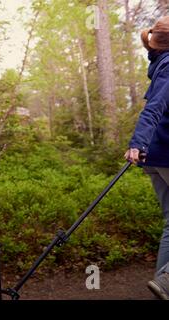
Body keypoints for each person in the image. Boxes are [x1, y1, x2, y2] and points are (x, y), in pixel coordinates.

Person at [125, 16, 169, 300]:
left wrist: (141, 146)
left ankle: (161, 284)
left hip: (154, 155)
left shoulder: (159, 65)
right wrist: (137, 143)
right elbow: (154, 108)